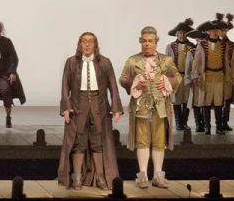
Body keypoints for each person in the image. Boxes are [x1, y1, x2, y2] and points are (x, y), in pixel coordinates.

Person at [57, 32, 124, 190]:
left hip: (98, 105)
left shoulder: (105, 63)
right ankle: (77, 176)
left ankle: (100, 176)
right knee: (78, 142)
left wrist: (116, 108)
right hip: (78, 105)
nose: (87, 45)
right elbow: (65, 86)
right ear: (80, 44)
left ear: (95, 44)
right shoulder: (72, 62)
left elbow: (113, 86)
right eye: (84, 41)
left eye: (90, 42)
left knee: (98, 142)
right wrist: (65, 108)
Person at [119, 26, 182, 189]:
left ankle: (158, 175)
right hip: (141, 108)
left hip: (160, 107)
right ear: (141, 42)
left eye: (150, 41)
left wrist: (169, 82)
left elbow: (177, 76)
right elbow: (123, 78)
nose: (147, 44)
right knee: (142, 142)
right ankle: (142, 175)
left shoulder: (166, 60)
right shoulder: (133, 60)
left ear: (156, 42)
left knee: (159, 143)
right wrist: (133, 83)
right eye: (144, 41)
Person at [191, 15, 233, 135]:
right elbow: (197, 61)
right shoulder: (202, 44)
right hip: (207, 75)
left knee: (219, 102)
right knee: (206, 102)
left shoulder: (223, 44)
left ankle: (219, 127)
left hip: (219, 75)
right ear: (208, 32)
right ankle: (207, 127)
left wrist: (228, 76)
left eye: (216, 31)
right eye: (212, 31)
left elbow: (226, 61)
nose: (215, 33)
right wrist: (195, 76)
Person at [165, 19, 196, 130]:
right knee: (176, 100)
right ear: (176, 34)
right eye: (180, 33)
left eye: (184, 33)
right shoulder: (170, 47)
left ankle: (184, 122)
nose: (182, 35)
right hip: (176, 77)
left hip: (187, 77)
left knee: (187, 100)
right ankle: (178, 122)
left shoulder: (192, 46)